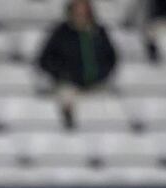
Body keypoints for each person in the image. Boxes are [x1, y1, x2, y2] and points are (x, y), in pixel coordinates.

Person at [37, 0, 118, 129]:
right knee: (66, 95)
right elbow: (44, 59)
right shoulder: (61, 32)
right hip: (69, 84)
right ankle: (69, 123)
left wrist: (101, 74)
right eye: (78, 9)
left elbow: (111, 58)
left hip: (96, 83)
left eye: (84, 9)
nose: (81, 13)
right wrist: (63, 74)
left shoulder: (98, 32)